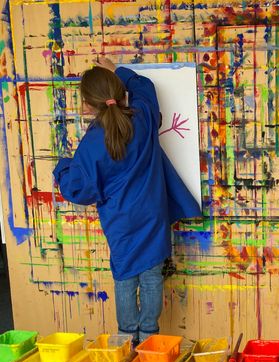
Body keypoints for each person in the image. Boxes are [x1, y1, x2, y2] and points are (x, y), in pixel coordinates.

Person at [53, 57, 201, 344]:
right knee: (151, 275)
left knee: (124, 276)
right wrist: (116, 71)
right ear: (119, 94)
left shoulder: (93, 143)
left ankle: (126, 338)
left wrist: (62, 166)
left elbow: (77, 189)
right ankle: (149, 337)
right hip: (153, 213)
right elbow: (144, 85)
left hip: (121, 221)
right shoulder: (143, 116)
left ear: (88, 105)